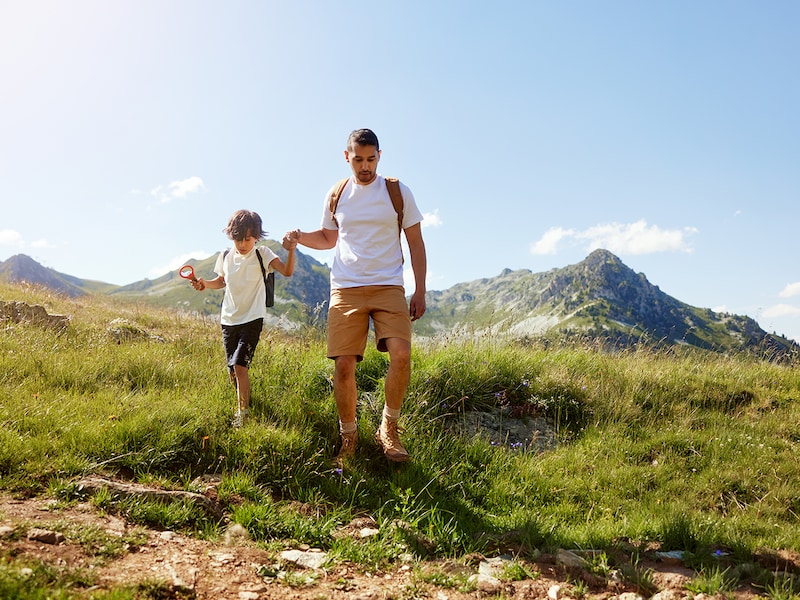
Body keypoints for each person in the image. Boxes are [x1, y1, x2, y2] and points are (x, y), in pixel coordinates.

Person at [287, 128, 427, 463]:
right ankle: (348, 437)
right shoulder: (337, 193)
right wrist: (299, 238)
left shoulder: (397, 192)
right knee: (345, 365)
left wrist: (420, 289)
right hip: (346, 288)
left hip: (389, 285)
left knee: (402, 355)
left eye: (371, 158)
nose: (365, 166)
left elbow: (416, 243)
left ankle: (388, 429)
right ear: (347, 156)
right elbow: (327, 238)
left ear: (380, 155)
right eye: (358, 159)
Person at [190, 209, 297, 427]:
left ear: (256, 236)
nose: (242, 243)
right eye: (238, 238)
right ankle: (244, 402)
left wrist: (292, 250)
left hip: (252, 318)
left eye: (247, 239)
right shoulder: (226, 256)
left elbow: (286, 271)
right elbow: (221, 281)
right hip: (228, 320)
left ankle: (243, 415)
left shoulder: (263, 253)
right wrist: (204, 284)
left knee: (240, 366)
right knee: (232, 370)